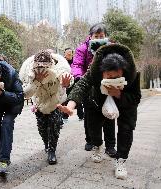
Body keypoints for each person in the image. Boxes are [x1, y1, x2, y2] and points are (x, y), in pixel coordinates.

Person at [58, 44, 141, 180]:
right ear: (102, 71)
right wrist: (70, 106)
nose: (112, 79)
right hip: (97, 102)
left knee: (126, 129)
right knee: (93, 127)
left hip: (125, 106)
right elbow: (81, 86)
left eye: (117, 77)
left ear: (123, 72)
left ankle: (121, 160)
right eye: (109, 76)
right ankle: (98, 145)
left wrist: (119, 94)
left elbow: (136, 98)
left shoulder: (133, 75)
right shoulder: (94, 72)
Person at [19, 50, 73, 165]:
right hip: (39, 104)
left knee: (54, 126)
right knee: (42, 128)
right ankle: (46, 144)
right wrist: (37, 81)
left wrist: (66, 83)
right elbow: (26, 94)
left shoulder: (59, 69)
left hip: (56, 103)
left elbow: (68, 79)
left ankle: (52, 150)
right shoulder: (30, 73)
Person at [71, 23, 116, 157]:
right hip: (88, 85)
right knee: (90, 117)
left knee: (109, 115)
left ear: (106, 37)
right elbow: (77, 64)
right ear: (90, 36)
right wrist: (79, 77)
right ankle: (90, 140)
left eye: (101, 36)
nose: (99, 38)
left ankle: (110, 145)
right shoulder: (82, 49)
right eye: (96, 36)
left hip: (107, 85)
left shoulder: (110, 47)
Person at [63, 48, 84, 121]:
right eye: (67, 53)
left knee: (77, 99)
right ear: (64, 54)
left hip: (75, 82)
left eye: (70, 52)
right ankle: (64, 117)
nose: (69, 54)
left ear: (72, 54)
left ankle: (81, 116)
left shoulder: (75, 62)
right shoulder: (62, 62)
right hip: (66, 82)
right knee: (65, 99)